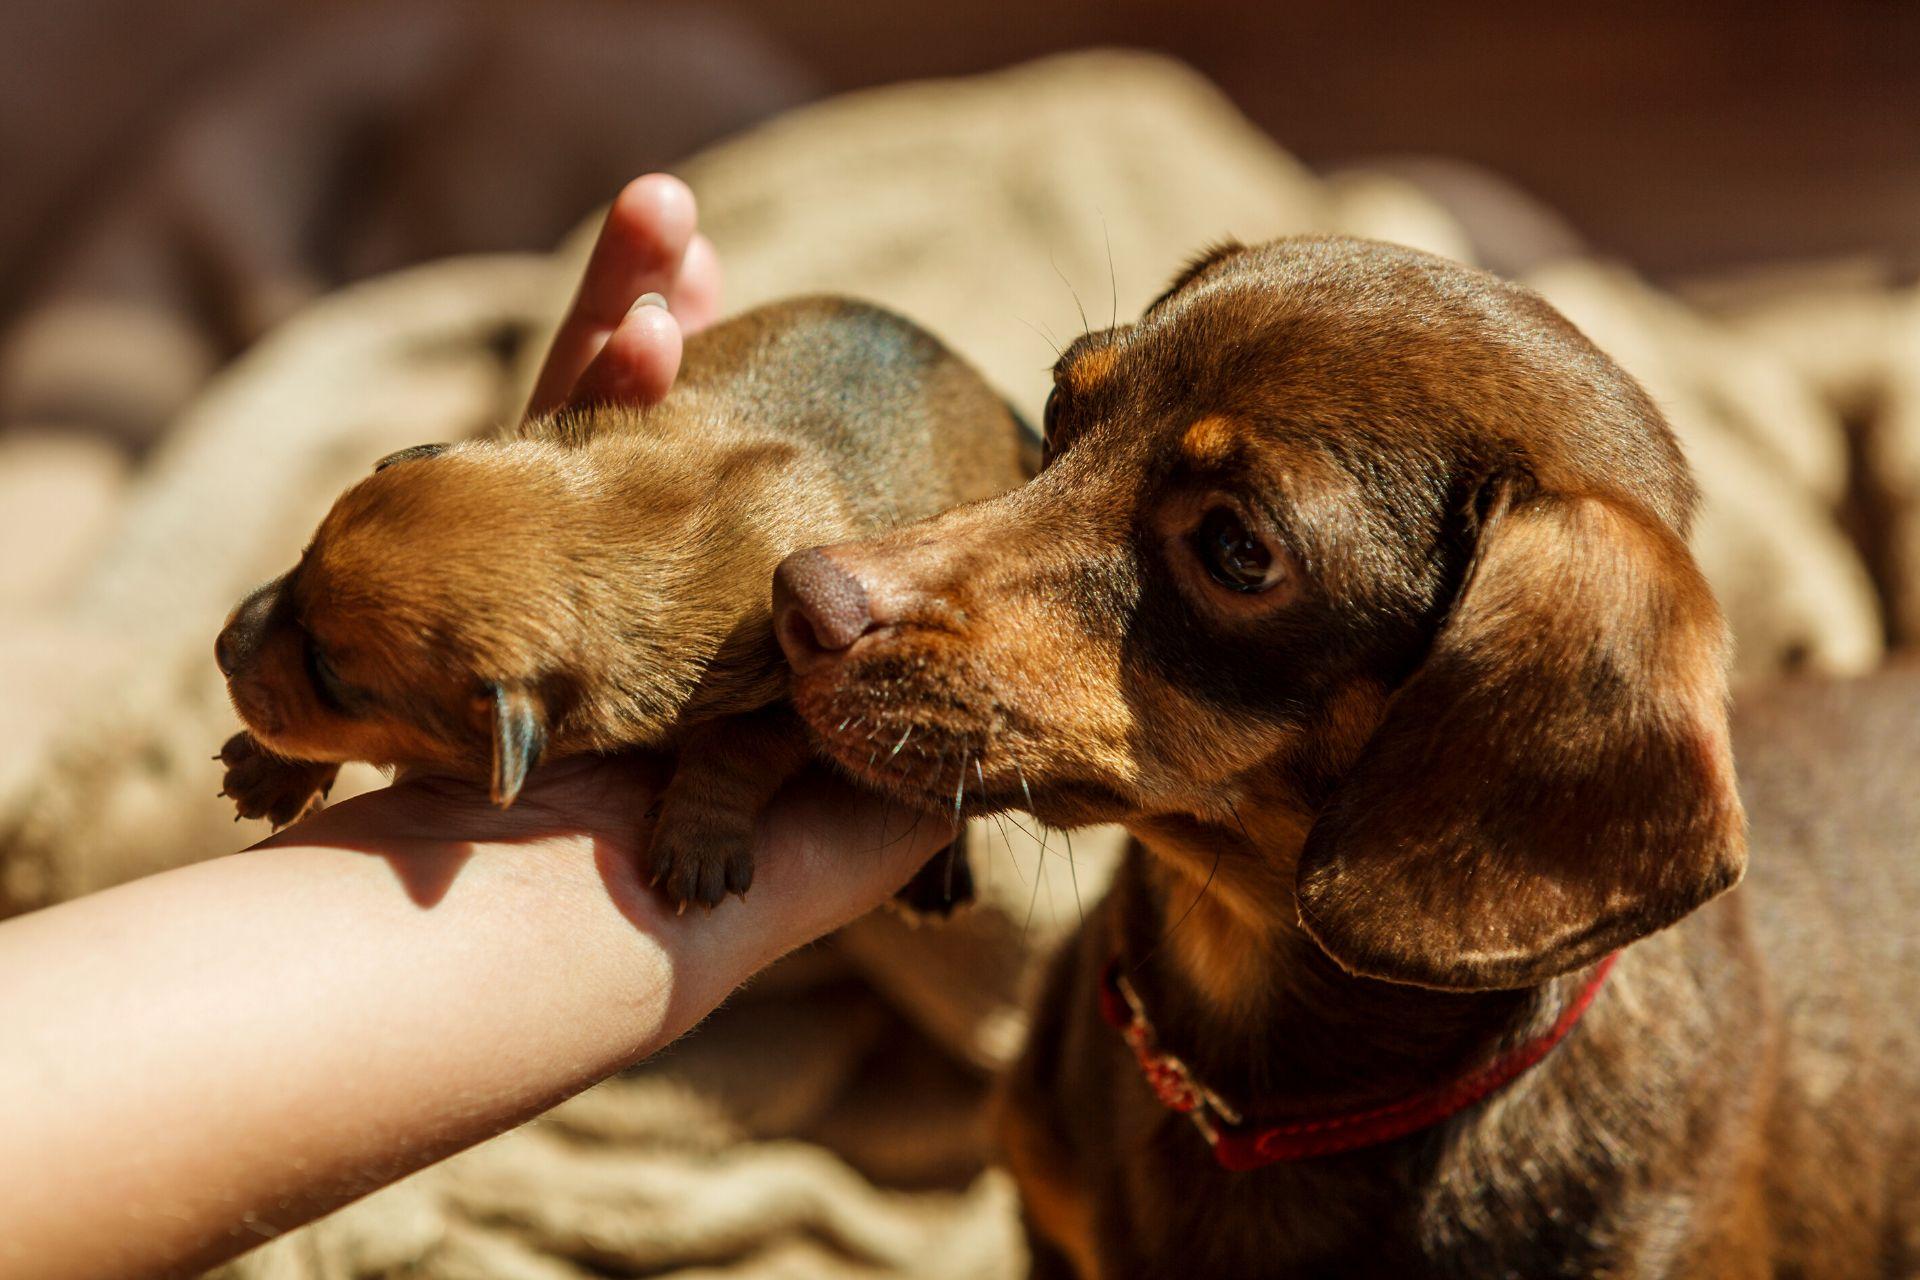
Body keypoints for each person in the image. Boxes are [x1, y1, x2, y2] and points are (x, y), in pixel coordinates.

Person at [0, 175, 956, 1280]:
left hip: (897, 418)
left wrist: (718, 790)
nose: (240, 637)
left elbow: (798, 708)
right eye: (303, 578)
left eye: (318, 663)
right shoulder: (532, 564)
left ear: (515, 731)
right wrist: (314, 721)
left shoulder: (756, 621)